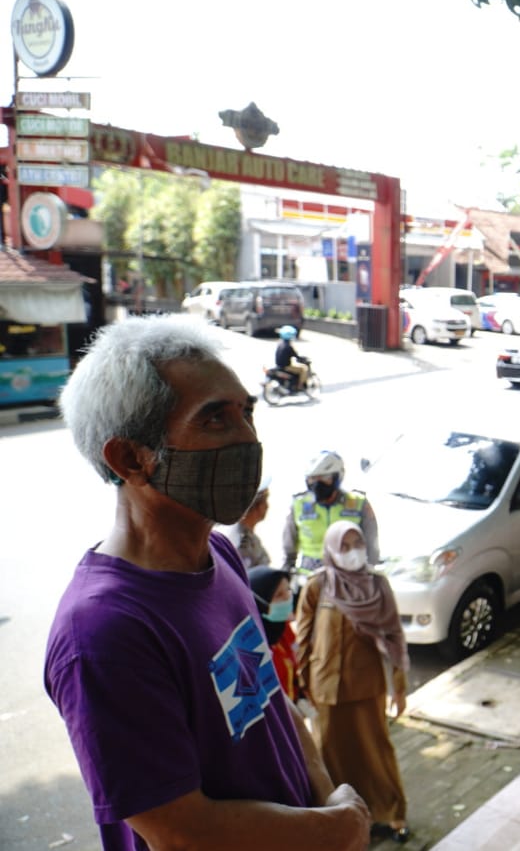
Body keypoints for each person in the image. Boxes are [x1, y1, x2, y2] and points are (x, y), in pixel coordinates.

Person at [45, 314, 370, 850]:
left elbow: (272, 702)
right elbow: (180, 830)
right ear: (130, 458)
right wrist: (334, 828)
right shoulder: (103, 634)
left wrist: (327, 803)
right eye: (215, 419)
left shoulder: (219, 555)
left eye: (247, 413)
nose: (248, 439)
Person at [296, 520, 410, 843]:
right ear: (331, 549)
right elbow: (302, 638)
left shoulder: (377, 585)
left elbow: (394, 636)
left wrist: (399, 687)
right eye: (344, 546)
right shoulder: (318, 585)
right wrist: (302, 684)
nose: (352, 552)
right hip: (326, 686)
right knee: (331, 757)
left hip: (366, 686)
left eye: (357, 544)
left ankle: (392, 814)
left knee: (376, 753)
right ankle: (343, 823)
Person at [283, 450, 379, 586]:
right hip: (310, 580)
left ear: (337, 477)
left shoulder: (358, 503)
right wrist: (286, 577)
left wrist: (368, 575)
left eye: (324, 478)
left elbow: (371, 544)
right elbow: (289, 548)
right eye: (312, 479)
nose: (318, 484)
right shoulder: (299, 505)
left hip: (349, 579)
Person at [250, 565, 302, 702]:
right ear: (259, 604)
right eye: (279, 595)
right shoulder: (253, 647)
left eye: (288, 590)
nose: (288, 598)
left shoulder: (282, 627)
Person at [217, 476, 272, 568]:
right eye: (264, 502)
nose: (267, 506)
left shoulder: (249, 536)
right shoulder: (241, 541)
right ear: (255, 506)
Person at [275, 324, 309, 390]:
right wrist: (302, 359)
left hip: (279, 365)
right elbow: (296, 356)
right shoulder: (289, 346)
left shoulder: (280, 343)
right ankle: (300, 386)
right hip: (286, 366)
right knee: (304, 368)